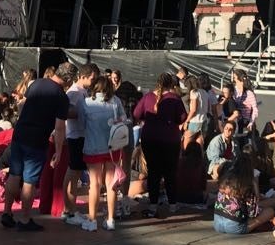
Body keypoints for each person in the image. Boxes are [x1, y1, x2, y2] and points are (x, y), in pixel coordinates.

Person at [1, 61, 75, 231]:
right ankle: (25, 219)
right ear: (69, 80)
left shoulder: (37, 83)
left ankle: (7, 212)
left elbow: (22, 104)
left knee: (14, 174)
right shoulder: (61, 97)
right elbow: (59, 126)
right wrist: (58, 150)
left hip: (20, 134)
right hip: (37, 140)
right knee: (29, 180)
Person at [133, 72, 187, 216]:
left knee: (153, 172)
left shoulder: (148, 97)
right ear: (171, 84)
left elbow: (136, 114)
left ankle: (153, 206)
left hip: (150, 138)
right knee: (170, 172)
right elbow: (182, 117)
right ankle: (173, 205)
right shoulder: (175, 99)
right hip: (170, 139)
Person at [79, 76, 127, 231]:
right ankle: (111, 219)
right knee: (111, 184)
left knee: (94, 184)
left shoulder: (86, 103)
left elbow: (81, 124)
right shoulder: (116, 102)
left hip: (93, 147)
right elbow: (125, 120)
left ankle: (92, 220)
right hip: (112, 149)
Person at [61, 63, 95, 226]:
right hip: (75, 136)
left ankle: (71, 209)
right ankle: (68, 210)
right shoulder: (74, 92)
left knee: (75, 172)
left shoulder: (83, 92)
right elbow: (65, 112)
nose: (93, 81)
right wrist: (83, 113)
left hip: (81, 135)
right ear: (83, 76)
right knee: (73, 172)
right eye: (92, 78)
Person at [213, 154, 275, 235]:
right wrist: (255, 184)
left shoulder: (225, 179)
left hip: (217, 224)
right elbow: (253, 213)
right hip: (234, 227)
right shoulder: (246, 184)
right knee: (270, 211)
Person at [231, 69, 259, 140]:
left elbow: (255, 109)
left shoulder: (249, 93)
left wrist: (251, 122)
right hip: (233, 120)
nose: (233, 80)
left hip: (244, 122)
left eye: (234, 77)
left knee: (243, 140)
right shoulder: (233, 90)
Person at [182, 75, 210, 141]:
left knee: (187, 145)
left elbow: (193, 110)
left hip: (195, 122)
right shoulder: (205, 92)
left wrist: (186, 121)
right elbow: (208, 109)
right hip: (204, 121)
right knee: (200, 146)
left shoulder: (194, 92)